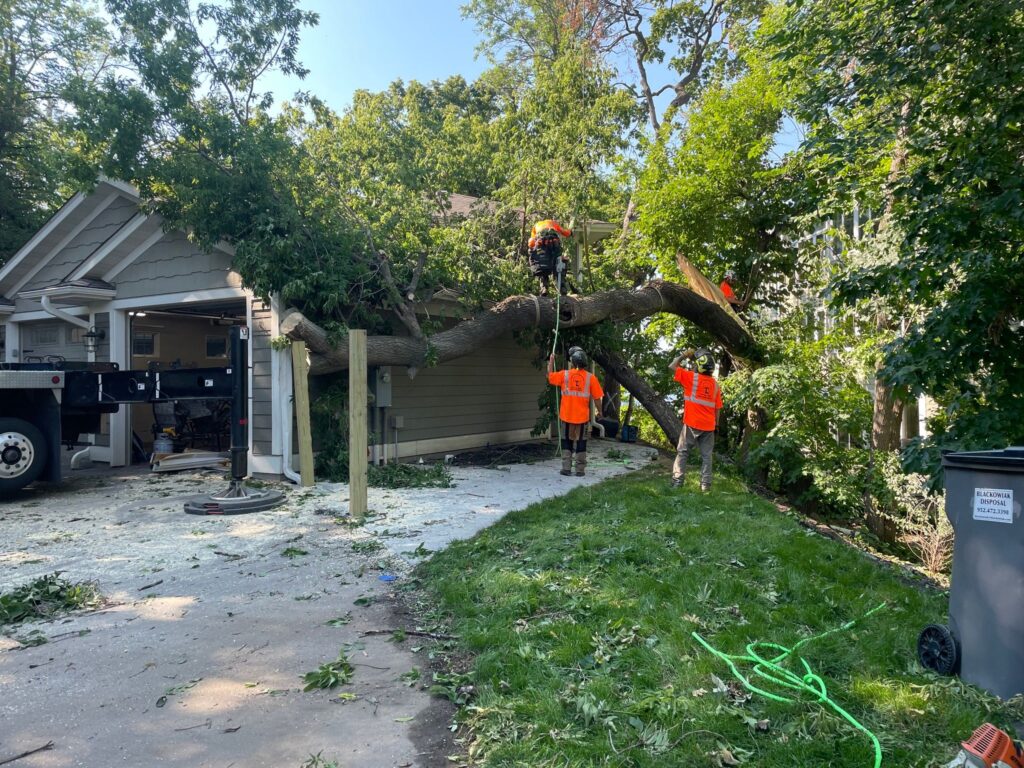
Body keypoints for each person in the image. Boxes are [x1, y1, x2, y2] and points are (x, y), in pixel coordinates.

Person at [669, 347, 723, 491]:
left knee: (683, 452)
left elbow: (672, 366)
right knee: (707, 456)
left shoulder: (691, 378)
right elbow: (717, 408)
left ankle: (677, 482)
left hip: (692, 424)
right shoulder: (716, 386)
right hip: (709, 426)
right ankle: (705, 486)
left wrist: (683, 355)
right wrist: (716, 425)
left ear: (699, 366)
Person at [547, 346, 603, 477]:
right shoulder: (591, 378)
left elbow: (549, 377)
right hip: (582, 419)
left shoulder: (564, 375)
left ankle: (566, 469)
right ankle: (580, 470)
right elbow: (597, 398)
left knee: (567, 441)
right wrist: (600, 412)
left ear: (572, 361)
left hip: (566, 417)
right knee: (581, 443)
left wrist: (551, 362)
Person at [529, 219, 573, 296]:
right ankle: (562, 287)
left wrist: (532, 250)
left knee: (543, 265)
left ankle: (544, 288)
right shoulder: (552, 223)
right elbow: (565, 232)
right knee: (558, 264)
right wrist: (570, 232)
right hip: (554, 243)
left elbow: (532, 242)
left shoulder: (536, 226)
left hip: (542, 245)